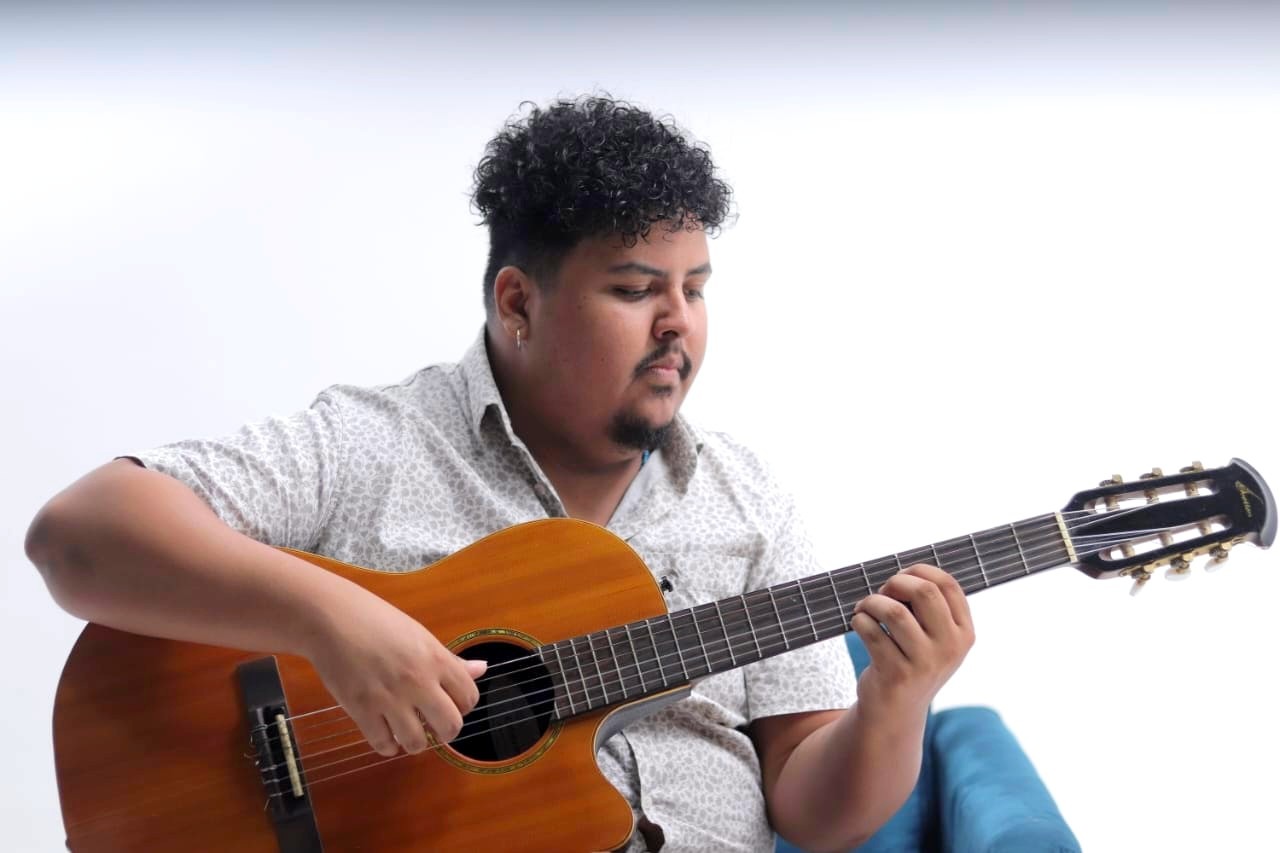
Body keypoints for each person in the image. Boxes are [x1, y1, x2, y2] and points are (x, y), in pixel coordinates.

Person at [26, 95, 974, 852]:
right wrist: (331, 621)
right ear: (518, 302)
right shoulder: (375, 442)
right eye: (636, 289)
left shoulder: (750, 500)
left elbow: (814, 807)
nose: (678, 322)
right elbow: (78, 535)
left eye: (695, 289)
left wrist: (895, 703)